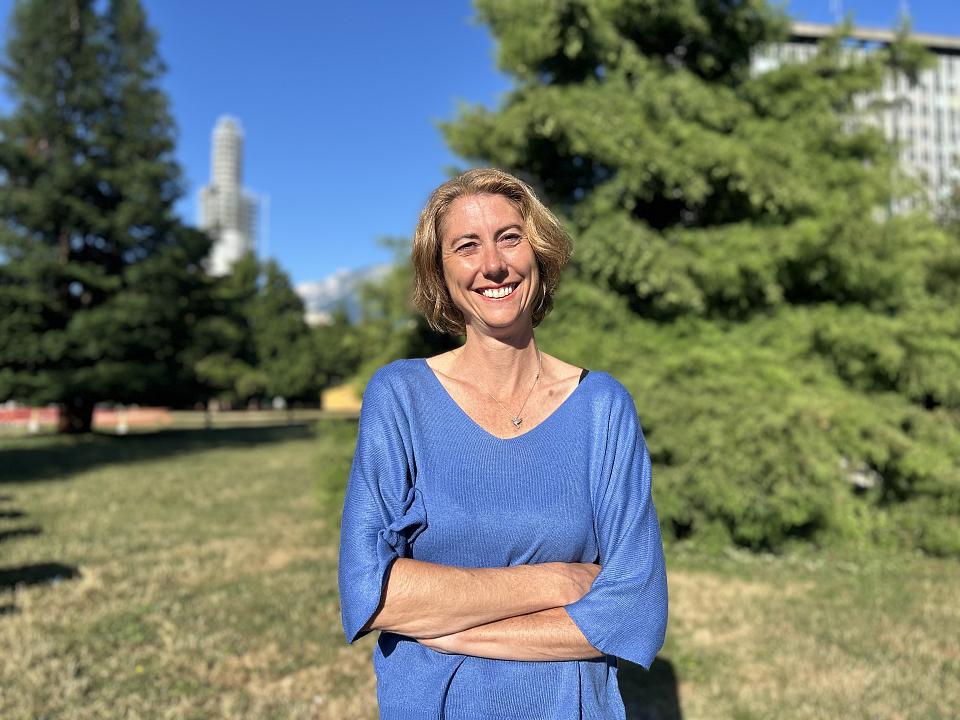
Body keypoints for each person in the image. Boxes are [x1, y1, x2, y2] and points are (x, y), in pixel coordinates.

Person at [338, 168, 668, 719]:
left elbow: (635, 611)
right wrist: (555, 580)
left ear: (539, 252)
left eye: (510, 237)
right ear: (440, 273)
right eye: (466, 246)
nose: (493, 264)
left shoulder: (602, 407)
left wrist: (447, 628)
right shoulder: (400, 397)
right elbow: (370, 593)